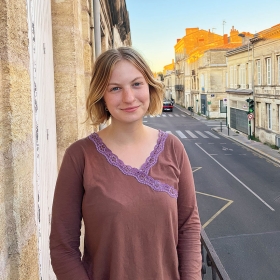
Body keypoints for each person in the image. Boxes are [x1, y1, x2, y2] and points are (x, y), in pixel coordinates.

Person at [50, 46, 202, 280]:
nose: (129, 97)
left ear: (150, 86)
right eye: (115, 88)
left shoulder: (173, 148)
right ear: (102, 94)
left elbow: (189, 228)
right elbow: (63, 248)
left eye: (136, 84)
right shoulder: (79, 156)